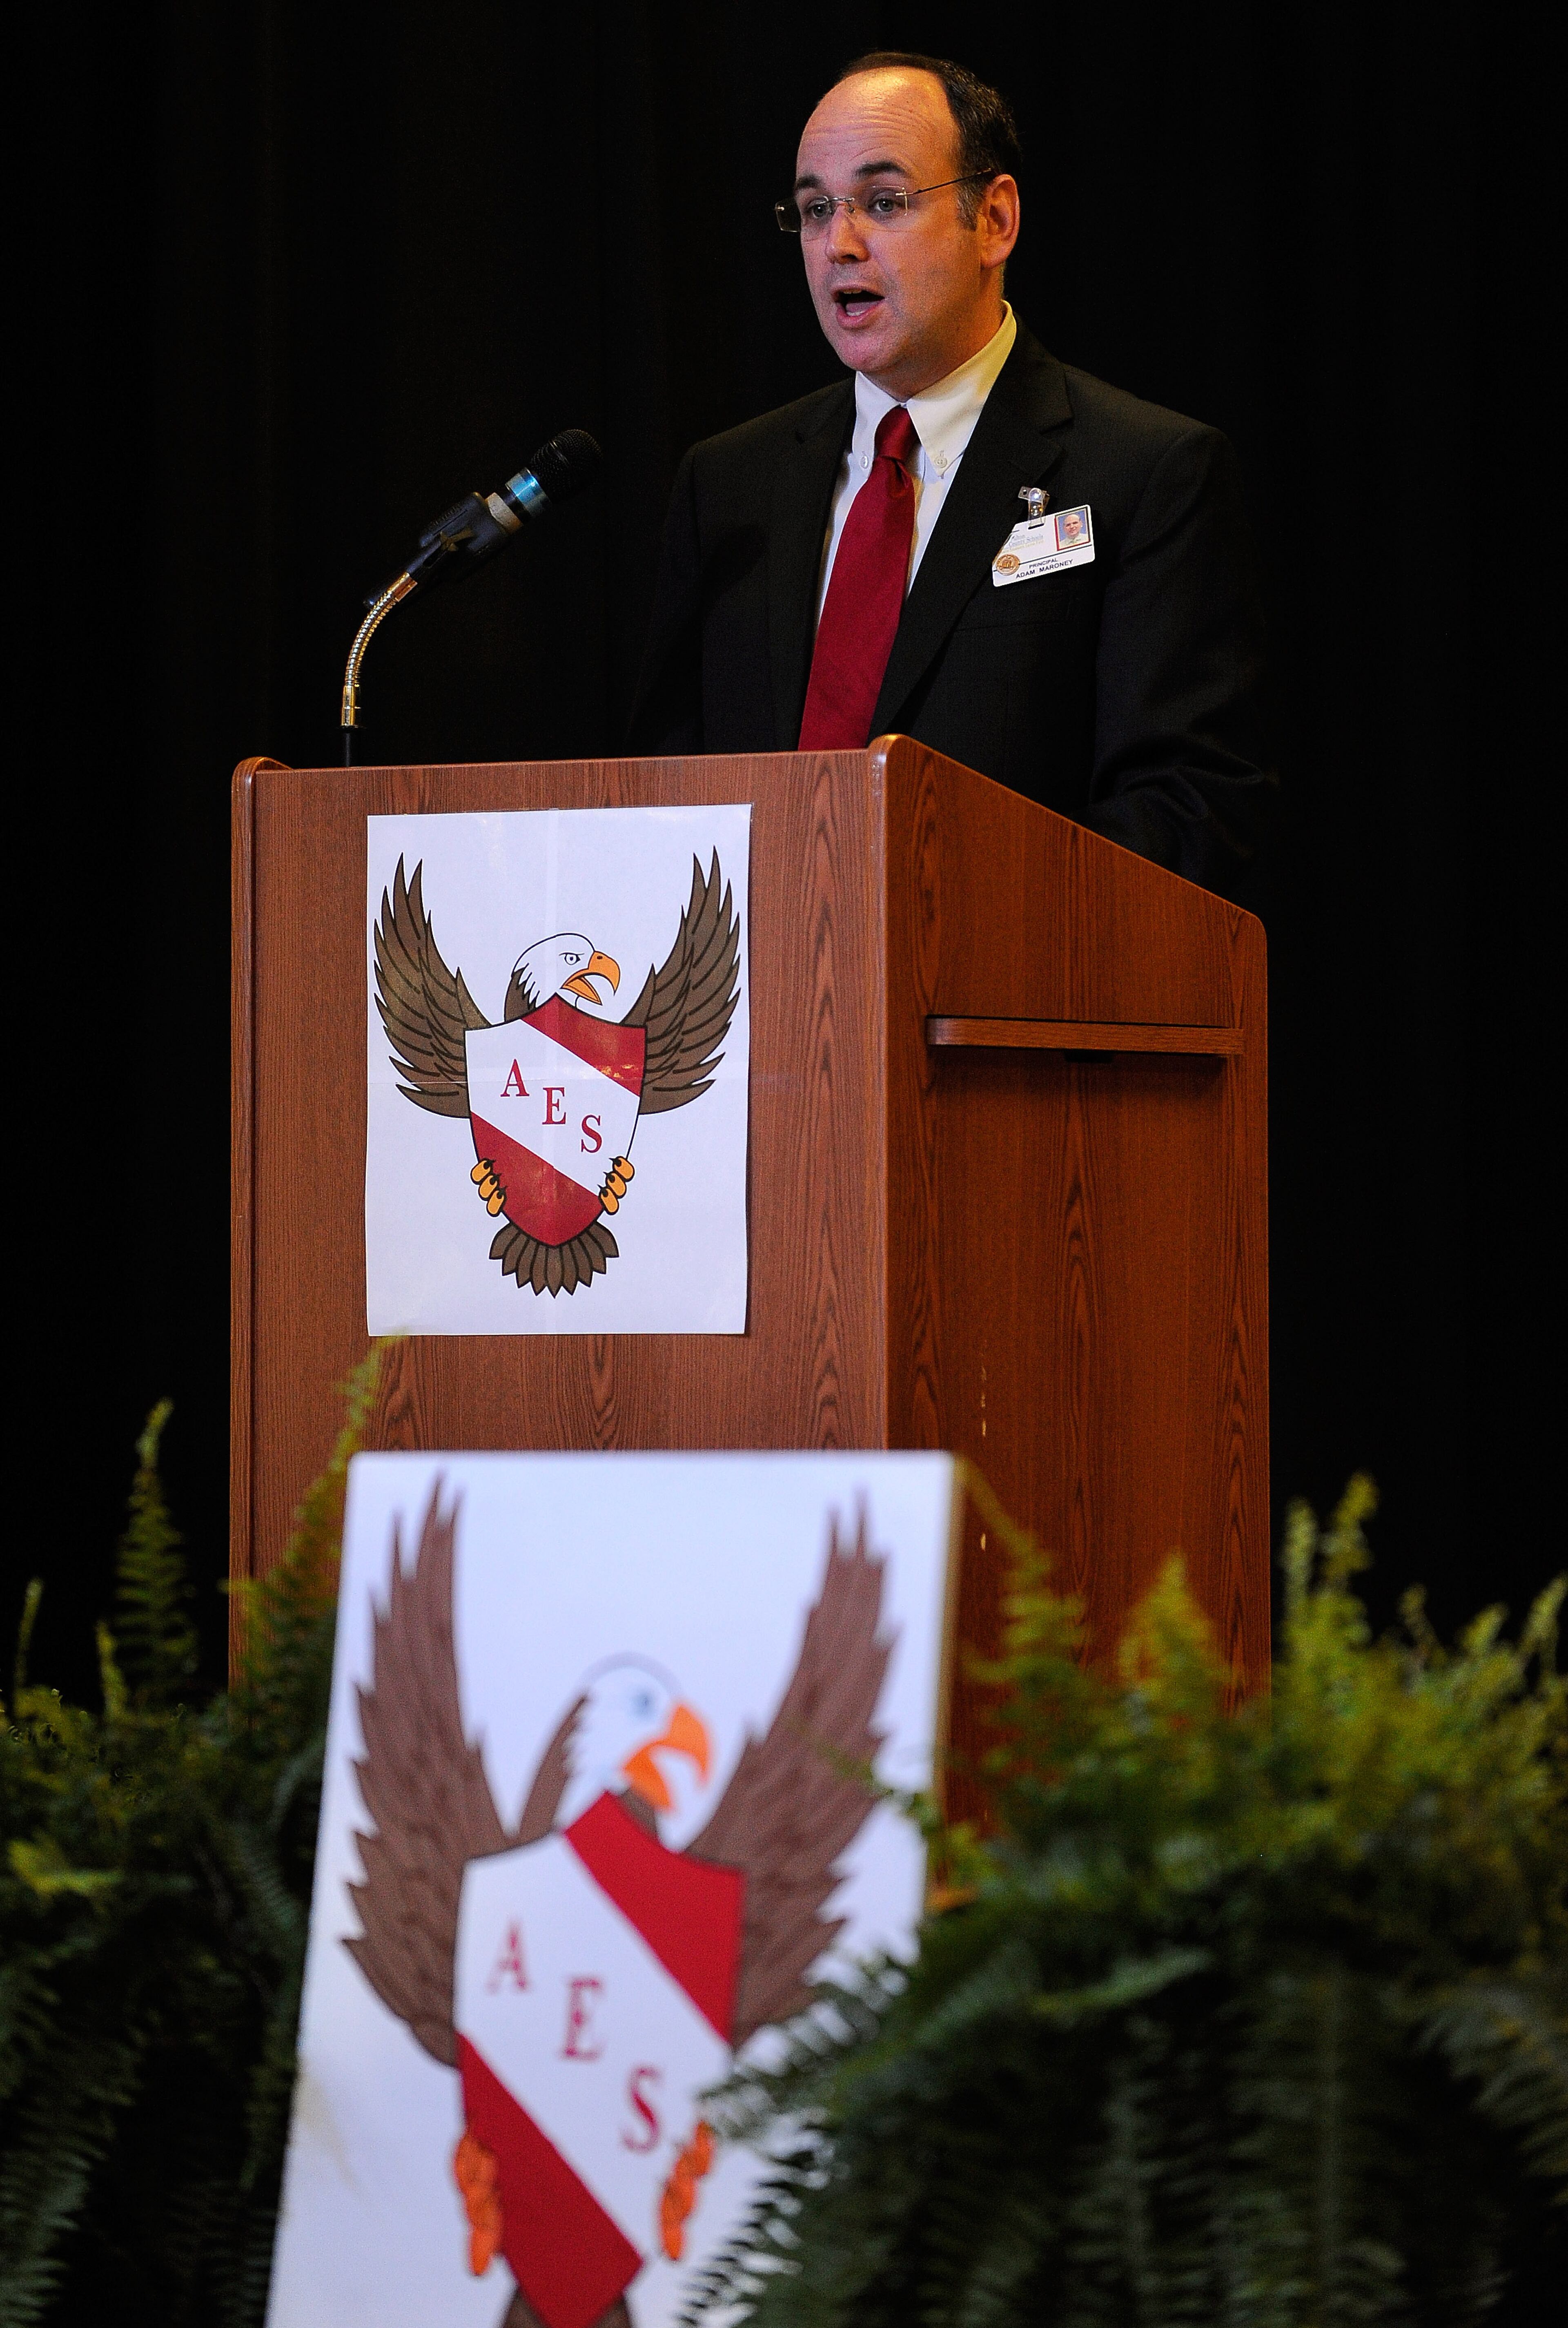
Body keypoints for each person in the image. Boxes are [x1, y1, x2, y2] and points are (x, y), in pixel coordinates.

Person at [629, 52, 1274, 897]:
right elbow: (662, 796)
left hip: (1007, 1005)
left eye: (884, 202)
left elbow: (1187, 813)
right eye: (816, 208)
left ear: (995, 220)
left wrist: (933, 901)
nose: (839, 244)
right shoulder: (730, 486)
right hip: (764, 1008)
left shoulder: (1144, 474)